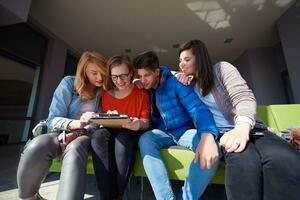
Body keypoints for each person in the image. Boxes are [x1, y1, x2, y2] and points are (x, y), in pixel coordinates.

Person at [177, 39, 300, 200]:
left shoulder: (221, 69)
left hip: (250, 128)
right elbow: (160, 75)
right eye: (180, 61)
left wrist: (242, 128)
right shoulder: (189, 86)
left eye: (187, 60)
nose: (181, 65)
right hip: (223, 135)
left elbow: (243, 96)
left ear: (199, 58)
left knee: (283, 158)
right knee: (244, 164)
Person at [17, 51, 107, 200]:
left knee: (75, 149)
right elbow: (53, 118)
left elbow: (98, 124)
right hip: (59, 131)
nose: (100, 78)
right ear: (84, 71)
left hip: (84, 134)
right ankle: (30, 197)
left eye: (103, 73)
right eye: (94, 73)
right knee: (38, 144)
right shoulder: (69, 83)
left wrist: (78, 132)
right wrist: (74, 123)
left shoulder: (103, 92)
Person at [133, 51, 220, 200]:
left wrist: (208, 135)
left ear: (156, 71)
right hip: (163, 134)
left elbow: (198, 109)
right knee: (145, 139)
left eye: (146, 75)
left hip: (185, 132)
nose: (143, 80)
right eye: (139, 76)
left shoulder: (176, 84)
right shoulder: (145, 90)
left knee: (211, 147)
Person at [90, 55, 150, 200]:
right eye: (114, 77)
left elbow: (146, 122)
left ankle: (118, 194)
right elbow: (104, 121)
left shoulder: (141, 93)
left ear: (131, 74)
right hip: (111, 130)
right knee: (97, 137)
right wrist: (104, 118)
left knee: (122, 139)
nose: (119, 81)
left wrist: (138, 124)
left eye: (123, 76)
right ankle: (106, 196)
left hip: (131, 131)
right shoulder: (106, 94)